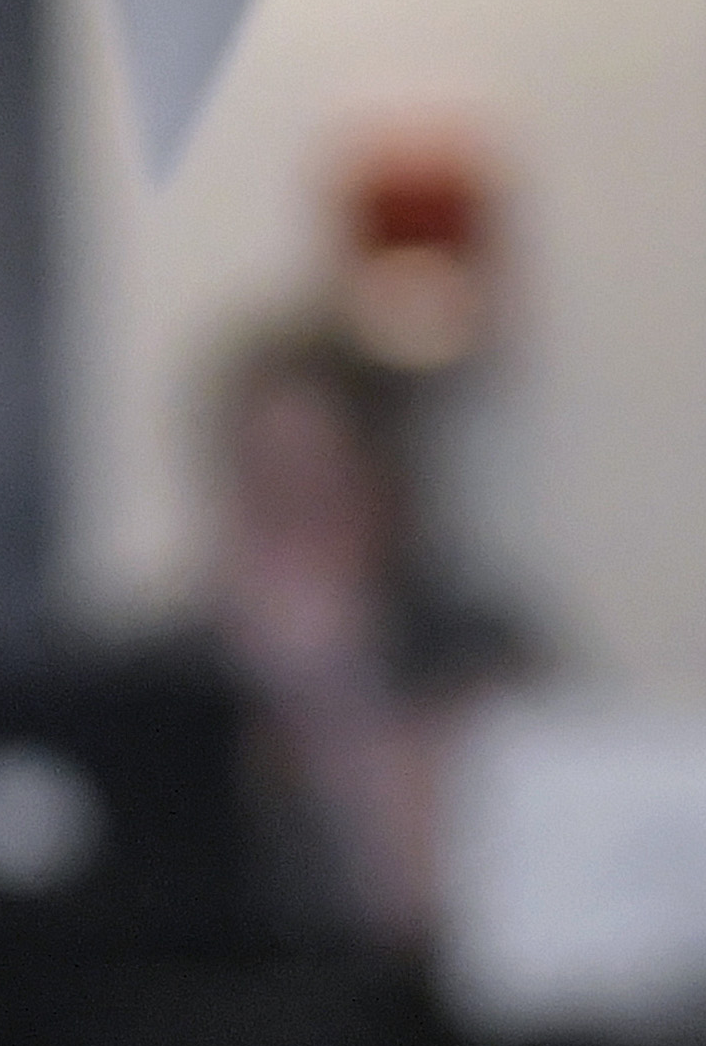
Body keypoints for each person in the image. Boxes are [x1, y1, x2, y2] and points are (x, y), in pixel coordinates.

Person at [202, 317, 531, 952]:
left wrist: (332, 685)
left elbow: (429, 906)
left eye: (316, 487)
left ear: (387, 491)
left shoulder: (474, 652)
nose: (288, 522)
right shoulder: (167, 669)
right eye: (265, 485)